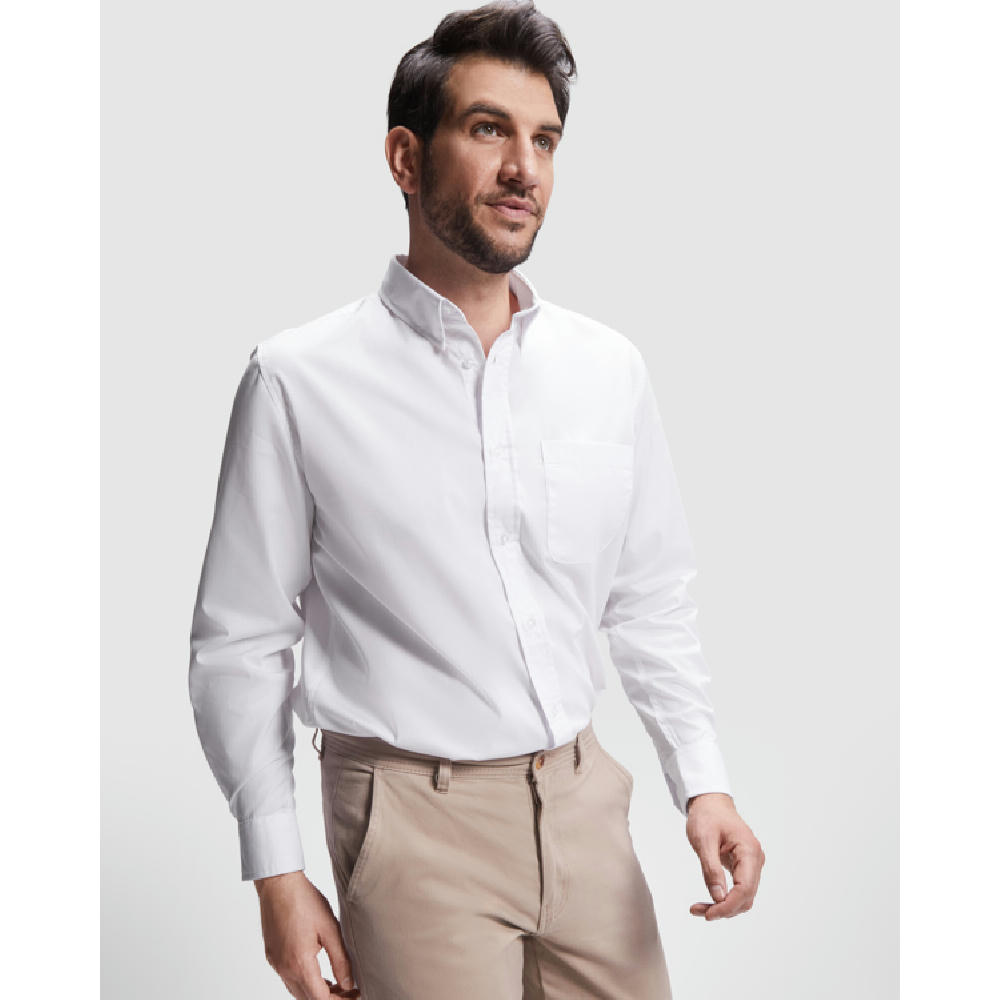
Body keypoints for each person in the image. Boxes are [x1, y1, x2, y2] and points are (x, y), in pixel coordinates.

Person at [188, 2, 765, 997]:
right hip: (411, 821)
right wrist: (275, 870)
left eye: (544, 139)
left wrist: (701, 780)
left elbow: (648, 600)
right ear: (405, 159)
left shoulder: (607, 369)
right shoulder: (298, 380)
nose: (523, 169)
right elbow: (240, 640)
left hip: (583, 802)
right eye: (489, 129)